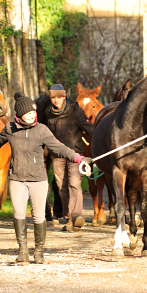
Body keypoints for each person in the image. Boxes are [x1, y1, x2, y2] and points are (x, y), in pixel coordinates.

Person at [0, 92, 91, 264]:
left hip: (38, 179)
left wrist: (78, 158)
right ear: (20, 114)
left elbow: (59, 148)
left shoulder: (41, 130)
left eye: (33, 113)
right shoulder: (10, 129)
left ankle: (39, 252)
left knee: (38, 217)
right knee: (19, 215)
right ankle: (23, 251)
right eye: (29, 113)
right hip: (17, 179)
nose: (32, 115)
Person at [45, 84, 94, 232]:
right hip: (57, 155)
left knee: (74, 183)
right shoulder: (48, 113)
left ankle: (76, 216)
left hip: (75, 154)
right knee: (61, 186)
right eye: (53, 98)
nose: (56, 100)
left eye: (59, 97)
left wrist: (103, 141)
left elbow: (90, 129)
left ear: (64, 97)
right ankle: (69, 218)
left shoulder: (76, 111)